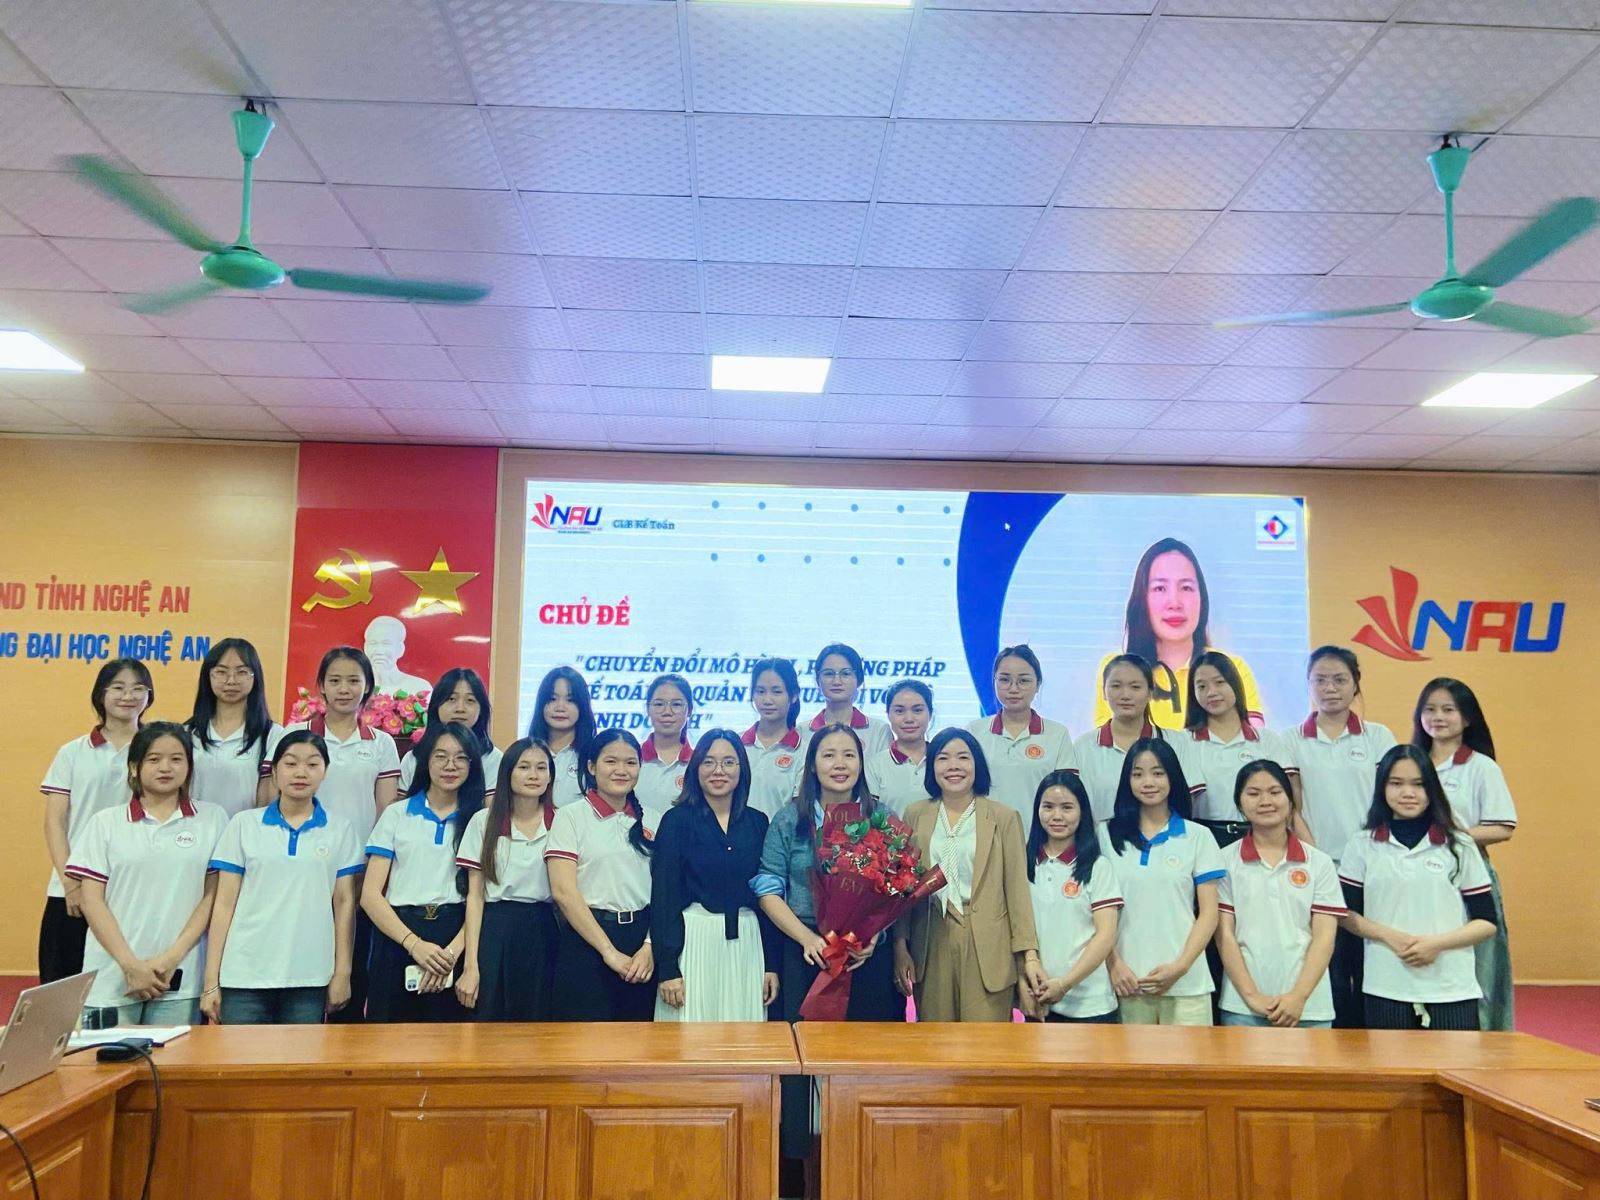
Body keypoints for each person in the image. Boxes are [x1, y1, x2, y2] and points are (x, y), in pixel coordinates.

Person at [753, 723, 902, 1170]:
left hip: (863, 960)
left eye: (849, 755)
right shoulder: (791, 818)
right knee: (802, 1060)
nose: (840, 764)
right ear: (813, 765)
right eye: (829, 755)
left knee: (863, 1061)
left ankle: (864, 1162)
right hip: (805, 952)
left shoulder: (880, 816)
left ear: (861, 763)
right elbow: (767, 887)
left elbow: (896, 886)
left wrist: (871, 937)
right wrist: (807, 939)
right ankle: (799, 1168)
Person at [68, 722, 227, 1028]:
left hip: (180, 977)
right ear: (134, 767)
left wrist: (169, 960)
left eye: (176, 759)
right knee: (107, 1059)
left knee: (178, 1060)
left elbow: (212, 896)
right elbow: (91, 901)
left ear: (189, 766)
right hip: (112, 977)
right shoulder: (105, 823)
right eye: (154, 759)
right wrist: (130, 965)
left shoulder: (213, 819)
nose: (166, 767)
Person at [202, 730, 363, 1025]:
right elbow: (223, 904)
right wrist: (211, 980)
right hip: (244, 975)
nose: (301, 772)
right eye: (290, 763)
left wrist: (342, 972)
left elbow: (344, 904)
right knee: (241, 1055)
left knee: (301, 1056)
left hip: (309, 977)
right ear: (274, 772)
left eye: (312, 764)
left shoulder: (340, 830)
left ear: (325, 772)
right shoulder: (244, 824)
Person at [1338, 745, 1497, 1031]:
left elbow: (1486, 922)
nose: (1408, 793)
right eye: (1396, 783)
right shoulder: (1361, 845)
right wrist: (1391, 937)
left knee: (1456, 1060)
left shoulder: (1460, 845)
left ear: (1432, 789)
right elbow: (1346, 914)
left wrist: (1436, 945)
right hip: (1385, 984)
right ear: (1382, 788)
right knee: (1390, 1062)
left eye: (1418, 784)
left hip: (1451, 986)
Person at [1278, 645, 1396, 1028]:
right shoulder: (1291, 739)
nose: (1330, 688)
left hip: (1373, 865)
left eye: (1340, 679)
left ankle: (1371, 1037)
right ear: (1308, 684)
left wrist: (1371, 852)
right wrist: (1317, 860)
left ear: (1355, 683)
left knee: (1370, 958)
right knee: (1329, 960)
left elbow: (1390, 800)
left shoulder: (1378, 736)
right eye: (1320, 680)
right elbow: (1292, 807)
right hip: (1319, 866)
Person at [894, 728, 1044, 1022]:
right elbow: (903, 888)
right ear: (931, 766)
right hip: (932, 937)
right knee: (936, 1040)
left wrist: (1029, 955)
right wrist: (900, 944)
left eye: (963, 757)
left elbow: (1017, 891)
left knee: (985, 1043)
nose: (953, 766)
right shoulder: (915, 814)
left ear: (977, 765)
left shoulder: (1003, 817)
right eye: (943, 758)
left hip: (988, 943)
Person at [286, 646, 401, 1022]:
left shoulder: (381, 743)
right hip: (302, 867)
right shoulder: (296, 735)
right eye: (334, 680)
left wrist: (374, 866)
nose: (344, 689)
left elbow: (387, 810)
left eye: (354, 680)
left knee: (351, 966)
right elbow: (275, 798)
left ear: (368, 687)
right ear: (321, 685)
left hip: (358, 868)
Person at [651, 729, 779, 1022]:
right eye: (708, 762)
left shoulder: (758, 822)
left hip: (748, 943)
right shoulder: (676, 821)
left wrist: (772, 965)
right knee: (690, 1035)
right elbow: (664, 897)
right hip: (693, 942)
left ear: (741, 769)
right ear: (695, 768)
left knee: (744, 1038)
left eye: (728, 762)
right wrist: (668, 968)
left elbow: (768, 897)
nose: (718, 770)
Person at [1412, 679, 1517, 1032]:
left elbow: (1503, 827)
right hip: (1414, 878)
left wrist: (1450, 836)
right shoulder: (1411, 763)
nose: (1437, 717)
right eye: (1429, 709)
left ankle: (1483, 1039)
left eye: (1448, 710)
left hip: (1467, 877)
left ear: (1467, 718)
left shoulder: (1481, 767)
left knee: (1478, 965)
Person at [39, 658, 152, 983]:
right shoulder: (73, 752)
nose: (128, 696)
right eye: (118, 687)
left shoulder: (156, 752)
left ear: (149, 696)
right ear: (101, 694)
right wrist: (70, 882)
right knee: (61, 985)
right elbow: (55, 822)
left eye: (138, 688)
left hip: (131, 886)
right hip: (73, 887)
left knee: (124, 984)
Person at [362, 722, 484, 1023]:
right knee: (388, 1038)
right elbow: (370, 896)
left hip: (456, 937)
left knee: (452, 1042)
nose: (450, 765)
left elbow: (480, 897)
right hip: (398, 936)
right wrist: (414, 945)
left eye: (461, 757)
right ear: (426, 760)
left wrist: (450, 954)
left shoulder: (480, 820)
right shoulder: (396, 814)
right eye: (440, 756)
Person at [1098, 737, 1224, 1026]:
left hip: (1187, 986)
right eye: (1138, 774)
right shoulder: (1105, 835)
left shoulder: (1198, 836)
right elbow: (1097, 912)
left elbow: (1209, 914)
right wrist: (1114, 965)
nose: (1148, 782)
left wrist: (1180, 967)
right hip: (1126, 984)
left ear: (1172, 777)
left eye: (1158, 773)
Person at [1215, 761, 1344, 1029]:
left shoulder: (1319, 862)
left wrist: (1298, 997)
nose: (1266, 801)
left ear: (1290, 800)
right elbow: (1224, 935)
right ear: (1239, 804)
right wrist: (1252, 997)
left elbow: (1324, 937)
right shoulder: (1223, 861)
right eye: (1253, 793)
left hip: (1309, 1007)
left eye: (1275, 792)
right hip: (1242, 1008)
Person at [1094, 538, 1265, 731]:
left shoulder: (1233, 668)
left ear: (1201, 598)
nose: (1174, 603)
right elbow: (1110, 744)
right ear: (1142, 598)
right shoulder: (1116, 668)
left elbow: (1254, 742)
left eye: (1186, 588)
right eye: (1160, 588)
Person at [545, 729, 656, 1021]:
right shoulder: (570, 816)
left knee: (641, 1042)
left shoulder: (655, 819)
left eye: (630, 762)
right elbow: (563, 891)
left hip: (642, 947)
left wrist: (650, 946)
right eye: (611, 761)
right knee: (584, 1043)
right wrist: (608, 952)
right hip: (587, 941)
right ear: (592, 767)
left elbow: (667, 892)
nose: (621, 770)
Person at [1020, 771, 1122, 1024]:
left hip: (1090, 1006)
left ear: (1082, 812)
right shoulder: (1024, 862)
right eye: (1048, 807)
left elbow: (1105, 936)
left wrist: (1064, 984)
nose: (1057, 816)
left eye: (1067, 807)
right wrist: (1023, 983)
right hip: (1038, 1001)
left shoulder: (1098, 867)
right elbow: (1017, 930)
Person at [1179, 651, 1304, 849]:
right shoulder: (1183, 741)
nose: (1211, 692)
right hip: (1205, 840)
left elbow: (1291, 800)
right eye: (1201, 686)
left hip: (1262, 837)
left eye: (1219, 682)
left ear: (1235, 684)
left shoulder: (1267, 739)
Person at [966, 644, 1077, 824]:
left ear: (1038, 684)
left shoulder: (1057, 734)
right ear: (994, 682)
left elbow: (1067, 796)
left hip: (1038, 836)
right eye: (1004, 680)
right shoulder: (974, 732)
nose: (1013, 689)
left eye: (1023, 681)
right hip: (987, 835)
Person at [184, 637, 283, 817]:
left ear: (255, 676)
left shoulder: (273, 735)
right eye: (221, 672)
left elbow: (272, 799)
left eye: (241, 672)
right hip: (193, 831)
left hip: (245, 832)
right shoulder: (187, 733)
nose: (231, 681)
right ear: (208, 676)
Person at [1073, 654, 1161, 823]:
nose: (1125, 695)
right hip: (1101, 839)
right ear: (1104, 692)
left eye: (1135, 687)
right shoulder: (1083, 747)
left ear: (1150, 693)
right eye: (1116, 686)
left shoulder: (1173, 742)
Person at [397, 667, 501, 800]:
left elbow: (492, 810)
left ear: (482, 709)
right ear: (436, 705)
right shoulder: (414, 757)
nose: (460, 709)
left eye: (470, 700)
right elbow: (401, 808)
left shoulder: (493, 758)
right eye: (451, 699)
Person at [741, 657, 808, 819]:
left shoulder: (803, 752)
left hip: (779, 835)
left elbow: (798, 812)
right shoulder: (736, 745)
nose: (767, 700)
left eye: (777, 692)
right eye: (760, 691)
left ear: (794, 696)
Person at [527, 665, 596, 809]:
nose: (560, 707)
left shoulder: (594, 755)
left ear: (582, 706)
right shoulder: (525, 752)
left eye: (570, 700)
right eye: (552, 699)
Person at [807, 642, 890, 757]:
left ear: (859, 679)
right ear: (818, 680)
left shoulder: (878, 731)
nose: (837, 681)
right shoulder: (802, 731)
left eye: (845, 673)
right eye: (829, 674)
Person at [865, 679, 933, 817]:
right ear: (888, 715)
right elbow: (870, 816)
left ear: (930, 714)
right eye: (899, 711)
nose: (909, 719)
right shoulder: (875, 765)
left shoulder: (943, 761)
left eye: (917, 710)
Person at [636, 673, 694, 830]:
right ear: (648, 709)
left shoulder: (700, 763)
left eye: (676, 704)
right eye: (659, 704)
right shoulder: (631, 760)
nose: (667, 711)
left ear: (689, 710)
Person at [363, 614, 432, 696]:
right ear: (365, 648)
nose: (379, 651)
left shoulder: (420, 688)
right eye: (373, 643)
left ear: (400, 649)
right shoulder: (356, 688)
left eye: (386, 643)